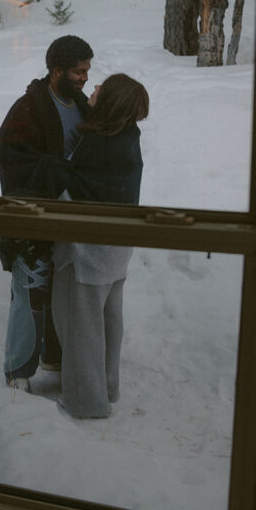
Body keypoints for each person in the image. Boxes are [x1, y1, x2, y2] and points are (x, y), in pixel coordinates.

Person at [0, 35, 95, 391]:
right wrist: (58, 173)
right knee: (29, 291)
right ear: (56, 71)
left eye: (87, 71)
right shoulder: (28, 108)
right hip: (32, 222)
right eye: (78, 71)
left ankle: (53, 356)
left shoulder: (81, 105)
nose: (84, 78)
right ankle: (17, 373)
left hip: (67, 220)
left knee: (62, 291)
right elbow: (8, 160)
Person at [51, 73, 149, 418]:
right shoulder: (125, 136)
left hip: (88, 252)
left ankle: (86, 403)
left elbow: (79, 191)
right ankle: (107, 386)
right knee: (108, 321)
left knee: (81, 327)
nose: (92, 89)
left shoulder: (102, 143)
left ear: (109, 102)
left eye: (100, 89)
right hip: (116, 250)